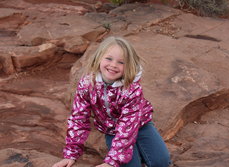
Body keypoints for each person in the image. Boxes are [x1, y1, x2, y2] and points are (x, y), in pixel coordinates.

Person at [52, 36, 171, 167]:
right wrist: (71, 155)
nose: (113, 65)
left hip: (140, 125)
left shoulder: (131, 89)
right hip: (111, 130)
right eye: (108, 59)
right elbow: (79, 119)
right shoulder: (87, 84)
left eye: (121, 62)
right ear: (98, 59)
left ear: (129, 65)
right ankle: (136, 156)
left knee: (161, 162)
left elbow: (127, 128)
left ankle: (141, 152)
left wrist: (111, 162)